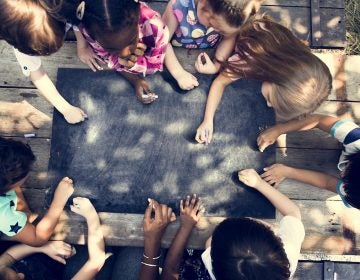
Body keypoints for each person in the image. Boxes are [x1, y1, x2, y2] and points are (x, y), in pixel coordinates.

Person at [195, 15, 332, 145]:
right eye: (270, 99)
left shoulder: (294, 59)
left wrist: (280, 130)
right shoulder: (249, 60)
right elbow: (220, 82)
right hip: (237, 35)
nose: (267, 104)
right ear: (275, 76)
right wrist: (208, 120)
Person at [162, 171, 304, 279]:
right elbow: (293, 212)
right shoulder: (288, 255)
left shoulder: (218, 264)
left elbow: (170, 272)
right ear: (278, 242)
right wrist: (259, 183)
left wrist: (186, 227)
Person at [0, 0, 88, 124]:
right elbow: (37, 74)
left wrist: (82, 44)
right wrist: (65, 108)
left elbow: (76, 18)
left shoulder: (68, 6)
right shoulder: (22, 38)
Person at [257, 114, 360, 209]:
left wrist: (287, 172)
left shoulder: (353, 195)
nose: (341, 175)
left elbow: (327, 182)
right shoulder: (356, 138)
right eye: (345, 175)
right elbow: (318, 120)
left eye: (344, 181)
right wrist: (279, 129)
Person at [76, 0, 169, 104]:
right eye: (111, 48)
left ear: (137, 18)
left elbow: (154, 66)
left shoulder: (156, 28)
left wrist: (134, 65)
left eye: (130, 41)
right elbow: (106, 57)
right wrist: (135, 79)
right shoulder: (92, 31)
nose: (124, 53)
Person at [162, 0, 263, 90]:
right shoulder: (178, 6)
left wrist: (216, 65)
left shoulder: (232, 17)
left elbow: (229, 37)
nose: (216, 31)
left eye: (222, 31)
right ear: (203, 2)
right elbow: (162, 42)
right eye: (211, 25)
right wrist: (179, 73)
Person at [0, 197, 106, 280]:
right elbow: (96, 260)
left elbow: (9, 256)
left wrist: (44, 248)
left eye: (13, 271)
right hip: (67, 266)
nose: (22, 275)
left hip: (48, 256)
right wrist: (91, 215)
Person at [0, 137, 74, 246]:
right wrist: (59, 201)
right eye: (25, 174)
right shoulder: (3, 217)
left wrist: (24, 209)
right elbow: (37, 239)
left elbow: (14, 187)